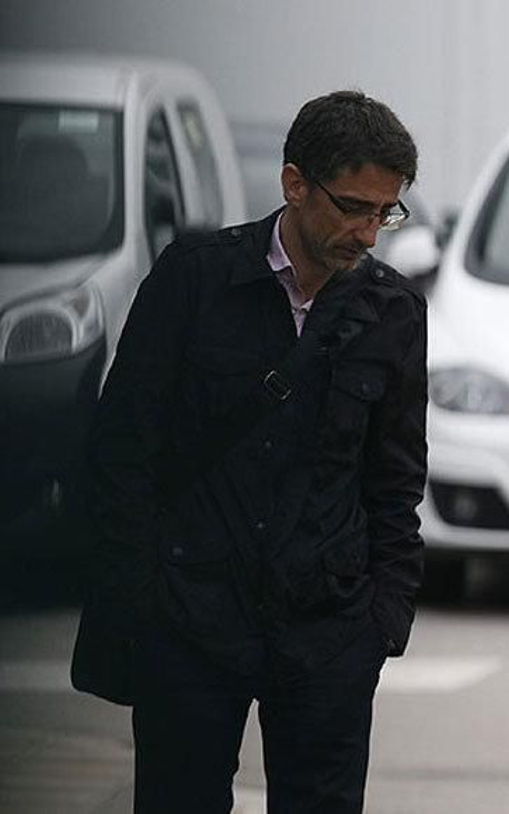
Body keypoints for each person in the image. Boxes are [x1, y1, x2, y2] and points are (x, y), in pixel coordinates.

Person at [76, 91, 427, 813]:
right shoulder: (194, 278)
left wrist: (382, 622)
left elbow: (395, 480)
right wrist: (145, 599)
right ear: (295, 183)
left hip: (328, 628)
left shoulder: (393, 311)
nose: (368, 233)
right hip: (192, 621)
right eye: (354, 206)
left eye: (385, 213)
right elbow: (121, 450)